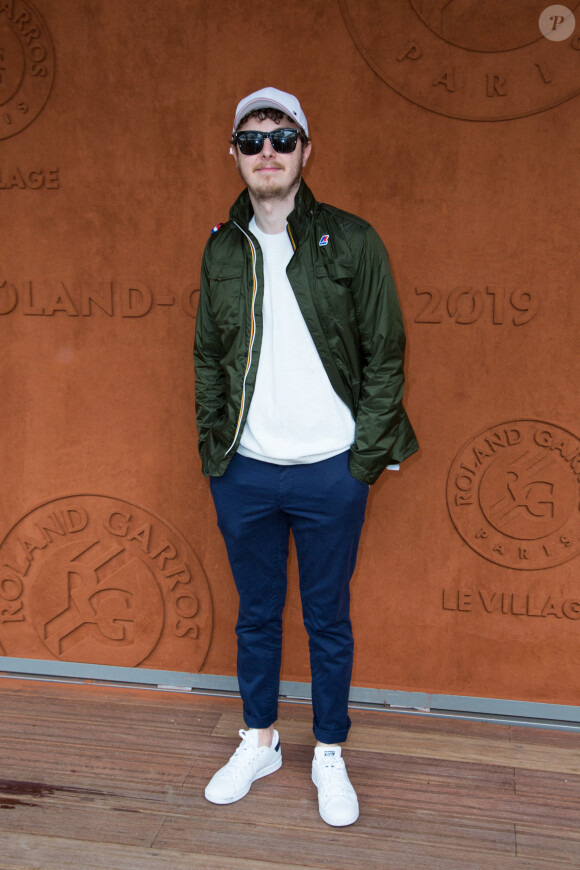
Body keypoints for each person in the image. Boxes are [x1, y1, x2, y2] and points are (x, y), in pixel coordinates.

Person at [194, 86, 418, 827]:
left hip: (331, 468)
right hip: (247, 469)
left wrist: (362, 461)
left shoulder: (351, 240)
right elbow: (207, 355)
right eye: (252, 140)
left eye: (282, 139)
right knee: (257, 615)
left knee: (327, 617)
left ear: (305, 150)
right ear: (235, 153)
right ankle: (259, 738)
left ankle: (328, 750)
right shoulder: (222, 246)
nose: (267, 153)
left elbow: (386, 355)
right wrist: (215, 451)